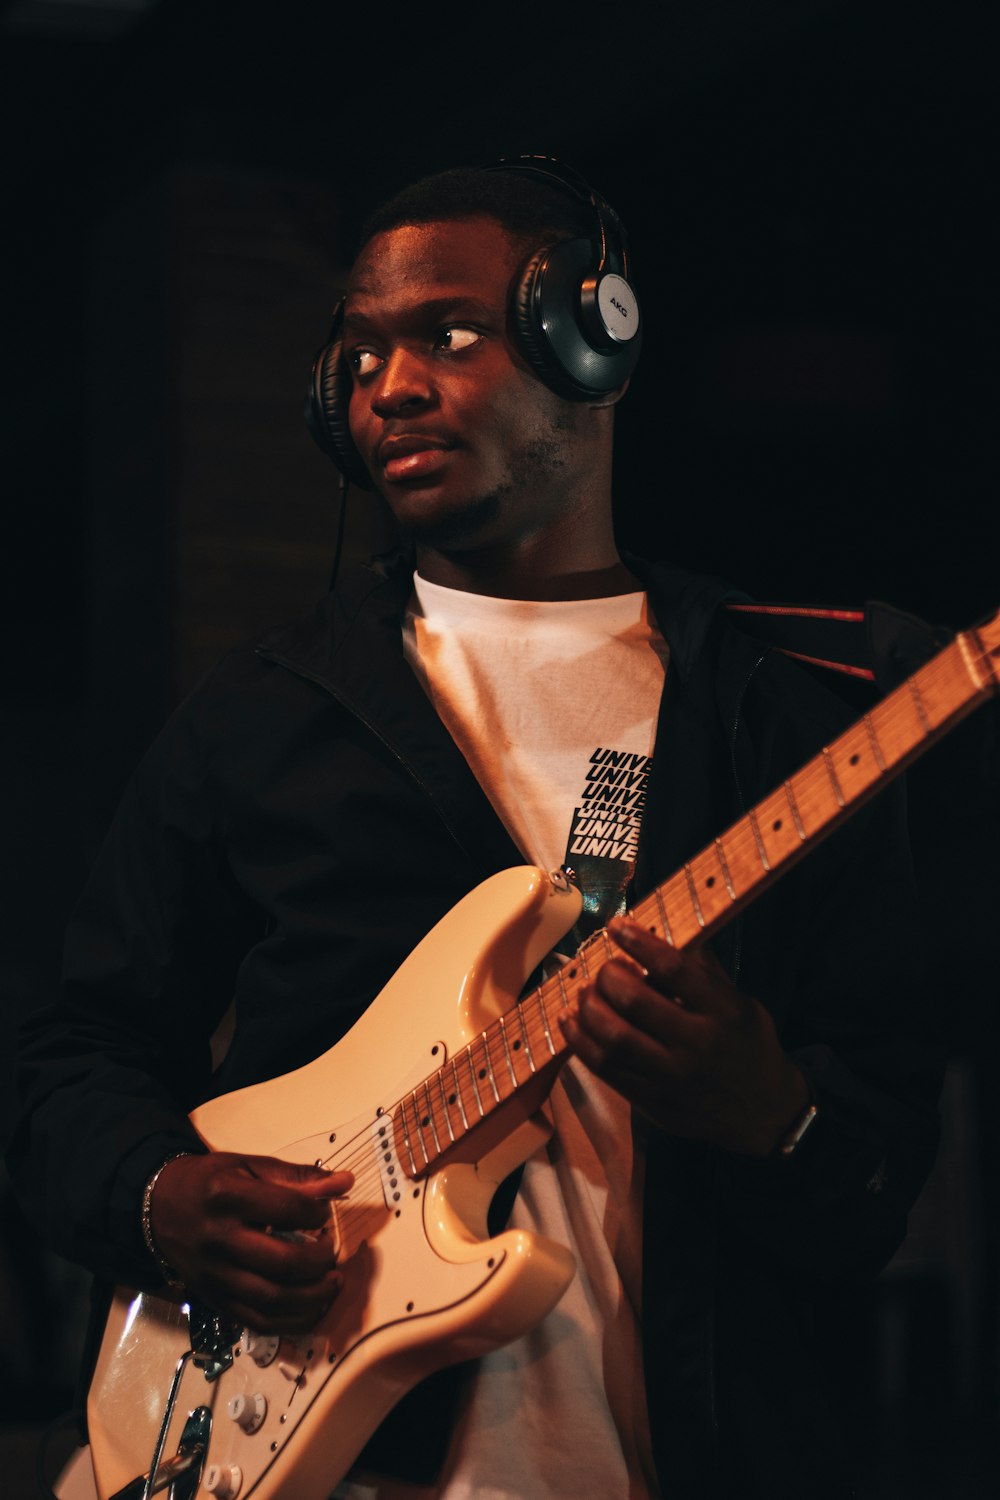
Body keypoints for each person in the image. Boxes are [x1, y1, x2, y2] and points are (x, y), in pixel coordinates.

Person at [7, 159, 941, 1500]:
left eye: (446, 335)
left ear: (592, 337)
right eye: (362, 351)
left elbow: (875, 1189)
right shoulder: (267, 714)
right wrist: (164, 1200)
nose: (388, 386)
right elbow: (68, 1056)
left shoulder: (782, 713)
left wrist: (768, 1111)